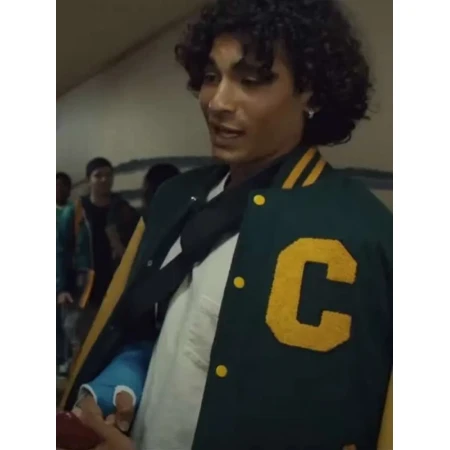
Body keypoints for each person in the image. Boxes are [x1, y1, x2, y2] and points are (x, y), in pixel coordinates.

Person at [60, 1, 393, 449]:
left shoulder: (366, 237)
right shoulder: (175, 200)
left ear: (311, 93)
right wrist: (118, 385)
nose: (217, 103)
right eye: (211, 77)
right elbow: (157, 333)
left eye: (251, 80)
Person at [57, 157, 139, 368]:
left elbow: (136, 246)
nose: (104, 180)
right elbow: (62, 251)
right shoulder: (74, 212)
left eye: (108, 175)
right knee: (79, 345)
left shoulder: (123, 210)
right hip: (83, 288)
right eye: (98, 175)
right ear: (88, 180)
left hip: (115, 284)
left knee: (112, 344)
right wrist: (62, 287)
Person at [57, 172, 72, 375]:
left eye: (63, 185)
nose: (58, 189)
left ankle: (63, 360)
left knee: (64, 323)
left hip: (65, 275)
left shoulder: (74, 212)